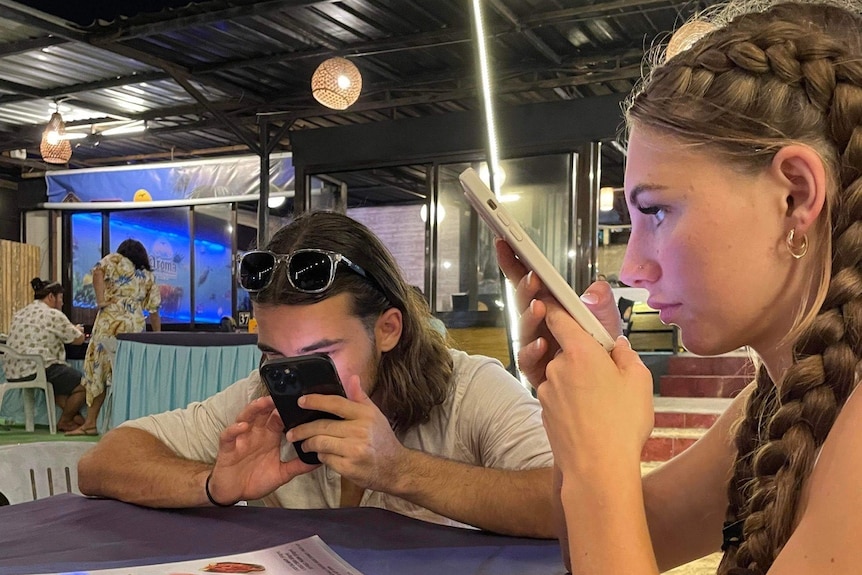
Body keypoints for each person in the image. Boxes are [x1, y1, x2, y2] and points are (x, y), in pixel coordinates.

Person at [496, 1, 862, 572]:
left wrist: (600, 461)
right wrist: (574, 426)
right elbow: (619, 540)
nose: (633, 268)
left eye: (658, 212)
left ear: (795, 194)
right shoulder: (774, 404)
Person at [78, 211, 555, 538]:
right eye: (273, 354)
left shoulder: (469, 390)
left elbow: (572, 499)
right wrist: (212, 485)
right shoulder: (263, 395)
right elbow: (102, 463)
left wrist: (402, 470)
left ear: (388, 329)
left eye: (319, 354)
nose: (293, 378)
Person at [68, 239, 161, 436]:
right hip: (135, 326)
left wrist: (101, 299)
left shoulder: (115, 260)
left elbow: (97, 271)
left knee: (99, 371)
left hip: (111, 322)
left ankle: (91, 422)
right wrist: (159, 337)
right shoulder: (148, 275)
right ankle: (128, 425)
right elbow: (153, 310)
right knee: (126, 374)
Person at [4, 278, 87, 432]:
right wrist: (78, 330)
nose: (62, 303)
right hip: (39, 367)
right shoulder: (53, 314)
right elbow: (77, 339)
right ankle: (66, 420)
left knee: (58, 389)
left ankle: (78, 420)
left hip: (12, 371)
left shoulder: (20, 313)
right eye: (61, 299)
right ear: (51, 297)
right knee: (84, 385)